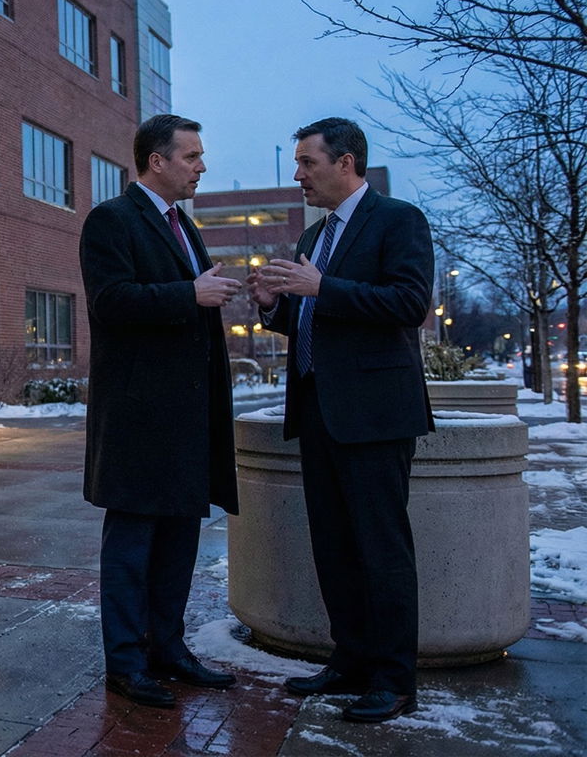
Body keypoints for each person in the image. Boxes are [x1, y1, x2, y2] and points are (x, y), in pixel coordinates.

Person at [249, 117, 433, 723]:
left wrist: (321, 286)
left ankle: (393, 679)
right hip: (318, 411)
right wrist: (275, 306)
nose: (298, 174)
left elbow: (409, 303)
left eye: (307, 162)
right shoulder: (314, 238)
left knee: (380, 549)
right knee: (333, 546)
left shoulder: (397, 220)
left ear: (346, 162)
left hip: (376, 416)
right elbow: (311, 320)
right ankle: (350, 659)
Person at [78, 114, 242, 708]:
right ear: (156, 161)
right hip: (137, 420)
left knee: (178, 540)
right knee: (132, 547)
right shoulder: (111, 220)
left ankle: (167, 648)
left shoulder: (182, 226)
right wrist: (189, 294)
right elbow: (110, 301)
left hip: (184, 421)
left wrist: (204, 290)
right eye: (192, 156)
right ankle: (125, 662)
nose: (202, 166)